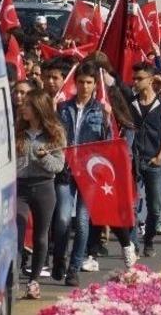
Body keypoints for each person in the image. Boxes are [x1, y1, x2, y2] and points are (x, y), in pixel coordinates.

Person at [52, 62, 113, 286]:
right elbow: (54, 134)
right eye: (81, 82)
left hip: (89, 173)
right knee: (62, 219)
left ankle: (74, 268)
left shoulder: (101, 110)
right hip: (66, 170)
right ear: (75, 83)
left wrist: (108, 120)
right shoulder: (63, 107)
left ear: (95, 85)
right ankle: (59, 258)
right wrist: (52, 111)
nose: (84, 86)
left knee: (82, 221)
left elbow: (108, 143)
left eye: (89, 82)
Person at [15, 91, 66, 299]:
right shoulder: (18, 131)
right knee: (17, 230)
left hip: (44, 187)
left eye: (28, 105)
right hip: (20, 187)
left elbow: (58, 166)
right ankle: (13, 277)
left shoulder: (55, 133)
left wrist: (43, 158)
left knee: (41, 235)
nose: (23, 108)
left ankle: (34, 281)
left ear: (38, 108)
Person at [129, 64, 161, 257]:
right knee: (130, 206)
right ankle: (132, 244)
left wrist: (160, 156)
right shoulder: (131, 103)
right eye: (134, 78)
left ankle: (149, 241)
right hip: (132, 161)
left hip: (152, 161)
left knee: (154, 207)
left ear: (150, 80)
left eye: (139, 78)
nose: (135, 82)